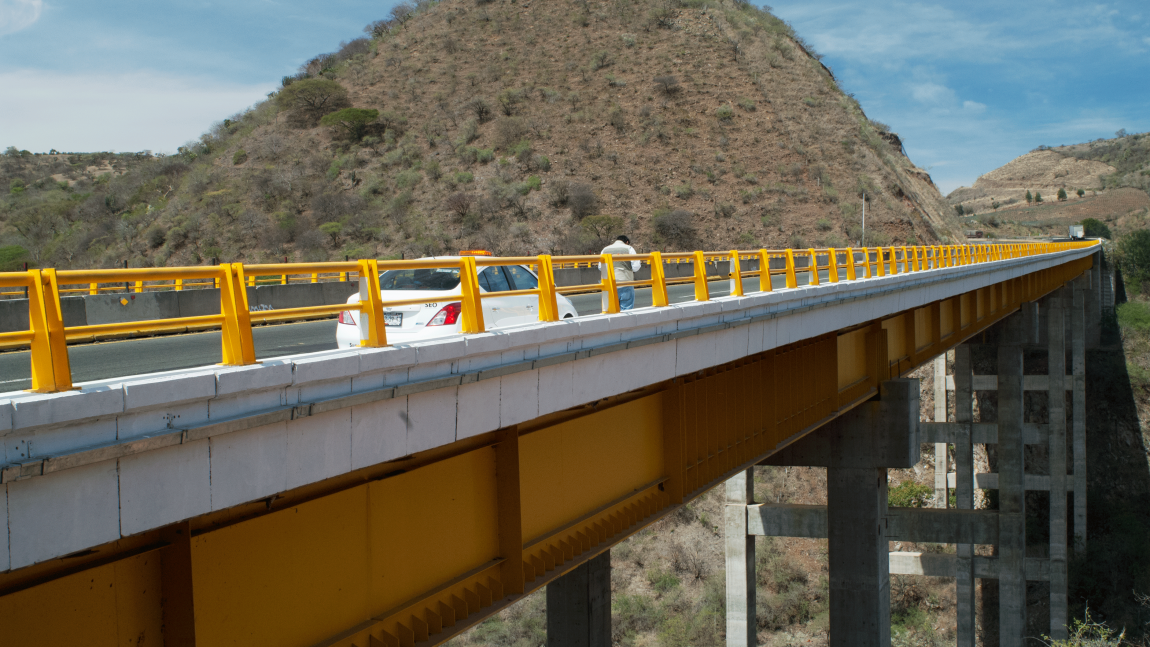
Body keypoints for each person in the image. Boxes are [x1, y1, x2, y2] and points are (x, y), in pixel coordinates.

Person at [599, 235, 641, 311]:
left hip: (609, 284)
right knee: (626, 310)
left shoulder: (605, 250)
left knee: (610, 311)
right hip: (625, 282)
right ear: (627, 242)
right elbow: (636, 266)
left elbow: (600, 267)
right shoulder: (629, 248)